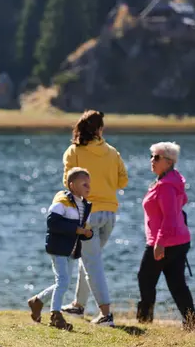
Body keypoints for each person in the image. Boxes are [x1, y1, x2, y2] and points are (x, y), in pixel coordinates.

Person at [60, 110, 128, 326]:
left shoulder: (74, 151)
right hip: (109, 214)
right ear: (100, 129)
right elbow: (123, 182)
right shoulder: (112, 152)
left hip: (87, 214)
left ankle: (106, 315)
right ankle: (78, 306)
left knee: (92, 263)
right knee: (90, 259)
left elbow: (67, 183)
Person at [138, 142, 195, 331]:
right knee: (177, 283)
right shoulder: (172, 179)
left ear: (169, 161)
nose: (152, 161)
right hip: (178, 240)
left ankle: (144, 322)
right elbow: (182, 202)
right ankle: (191, 325)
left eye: (156, 157)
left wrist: (160, 243)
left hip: (165, 242)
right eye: (151, 156)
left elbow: (170, 217)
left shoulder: (166, 185)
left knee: (145, 278)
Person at [28, 167, 94, 330]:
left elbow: (83, 227)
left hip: (71, 250)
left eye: (89, 184)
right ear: (72, 185)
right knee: (63, 281)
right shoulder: (62, 201)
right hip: (58, 248)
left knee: (62, 282)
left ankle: (37, 301)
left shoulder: (84, 205)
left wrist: (87, 233)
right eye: (84, 184)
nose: (88, 188)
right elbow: (53, 223)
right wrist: (76, 229)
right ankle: (55, 315)